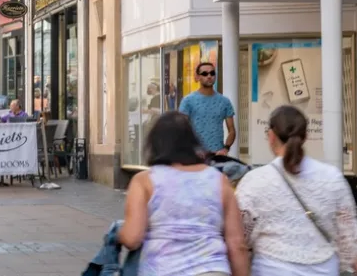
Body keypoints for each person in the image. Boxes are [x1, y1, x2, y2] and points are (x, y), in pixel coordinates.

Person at [117, 110, 248, 276]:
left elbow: (132, 238)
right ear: (192, 143)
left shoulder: (144, 181)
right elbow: (237, 243)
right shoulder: (218, 180)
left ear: (155, 144)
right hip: (212, 269)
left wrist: (119, 233)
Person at [236, 105, 357, 276]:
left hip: (271, 269)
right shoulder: (332, 177)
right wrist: (344, 267)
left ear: (270, 136)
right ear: (305, 136)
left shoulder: (254, 181)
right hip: (323, 269)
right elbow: (348, 237)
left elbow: (241, 236)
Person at [179, 62, 236, 155]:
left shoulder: (224, 101)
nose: (209, 76)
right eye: (205, 74)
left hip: (217, 156)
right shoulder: (188, 101)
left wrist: (226, 148)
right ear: (197, 77)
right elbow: (181, 129)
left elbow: (232, 130)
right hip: (194, 157)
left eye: (212, 73)